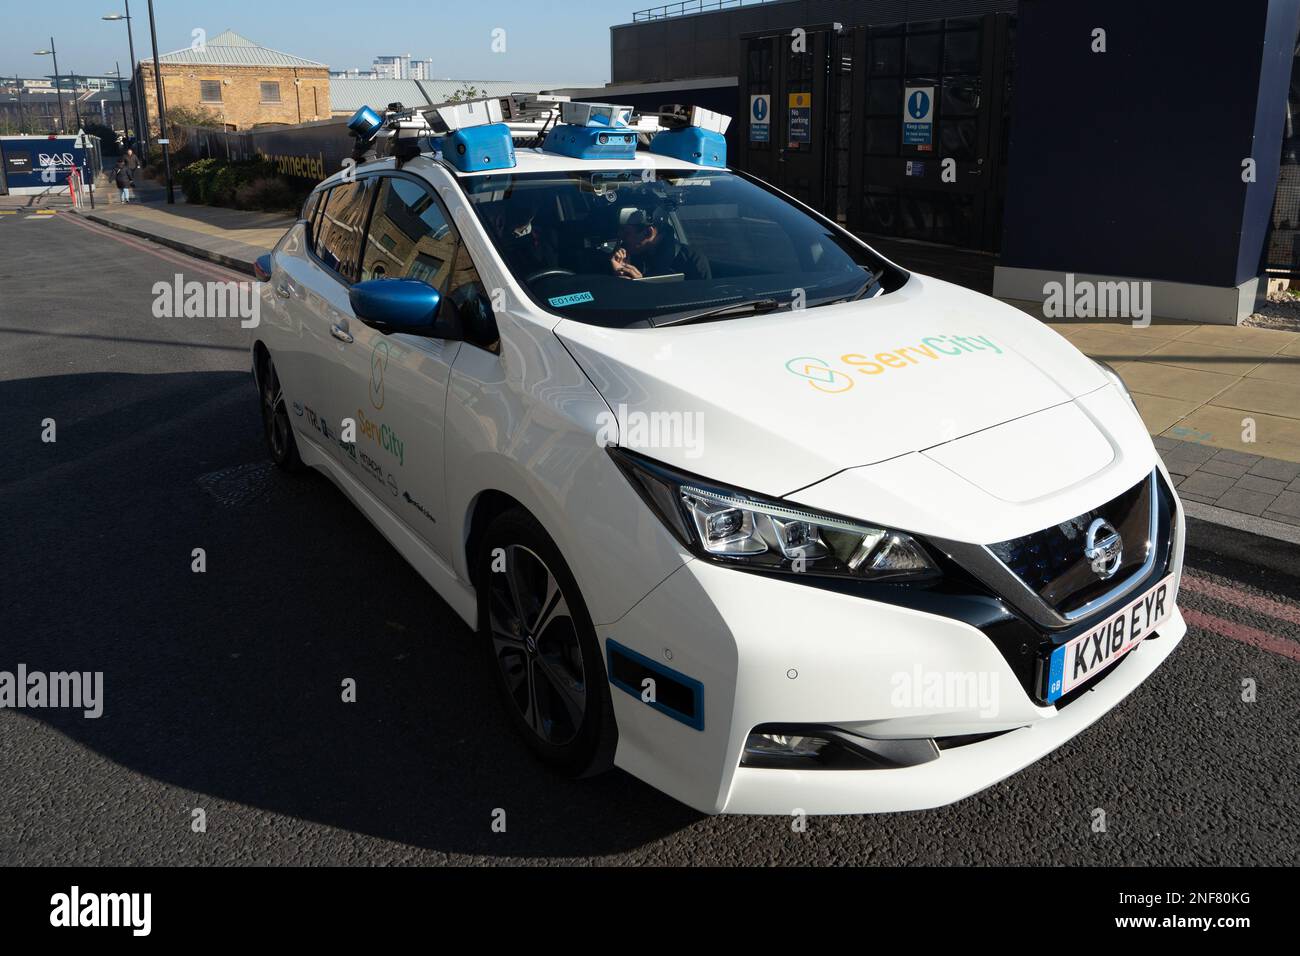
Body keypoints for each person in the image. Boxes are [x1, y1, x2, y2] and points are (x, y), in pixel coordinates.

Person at [608, 208, 711, 280]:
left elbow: (702, 306)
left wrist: (641, 285)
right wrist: (616, 274)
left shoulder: (692, 262)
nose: (620, 236)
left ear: (649, 233)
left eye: (626, 232)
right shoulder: (626, 256)